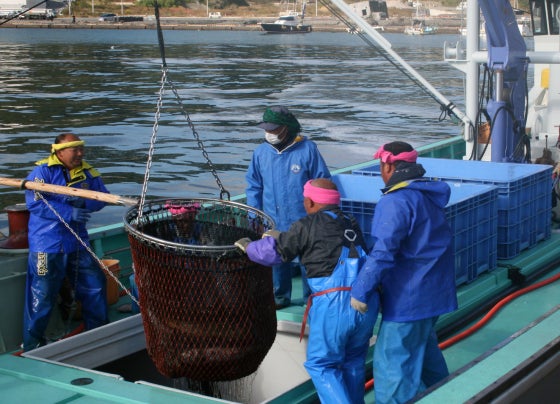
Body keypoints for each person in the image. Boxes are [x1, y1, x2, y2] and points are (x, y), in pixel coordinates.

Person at [236, 178, 379, 403]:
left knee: (322, 365)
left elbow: (274, 254)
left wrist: (249, 247)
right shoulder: (350, 221)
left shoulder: (305, 225)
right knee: (353, 361)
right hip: (365, 301)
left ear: (311, 202)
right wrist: (283, 237)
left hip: (334, 305)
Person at [350, 141, 458, 403]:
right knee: (426, 355)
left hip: (408, 301)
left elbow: (383, 252)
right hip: (435, 296)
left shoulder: (395, 201)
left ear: (388, 166)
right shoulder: (429, 195)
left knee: (392, 368)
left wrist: (361, 290)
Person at [23, 133, 110, 351]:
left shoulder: (88, 172)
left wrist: (84, 203)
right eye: (75, 149)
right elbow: (35, 202)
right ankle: (33, 344)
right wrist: (67, 211)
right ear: (60, 152)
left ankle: (98, 332)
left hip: (77, 241)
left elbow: (103, 197)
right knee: (42, 293)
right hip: (47, 244)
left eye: (81, 148)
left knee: (95, 284)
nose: (80, 153)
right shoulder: (42, 172)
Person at [246, 106, 331, 309]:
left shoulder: (308, 150)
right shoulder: (260, 153)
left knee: (308, 260)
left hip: (304, 220)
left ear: (286, 128)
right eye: (266, 129)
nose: (269, 133)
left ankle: (311, 299)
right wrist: (254, 215)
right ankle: (280, 297)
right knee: (277, 258)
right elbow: (254, 186)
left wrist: (322, 215)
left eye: (274, 129)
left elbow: (323, 182)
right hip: (273, 219)